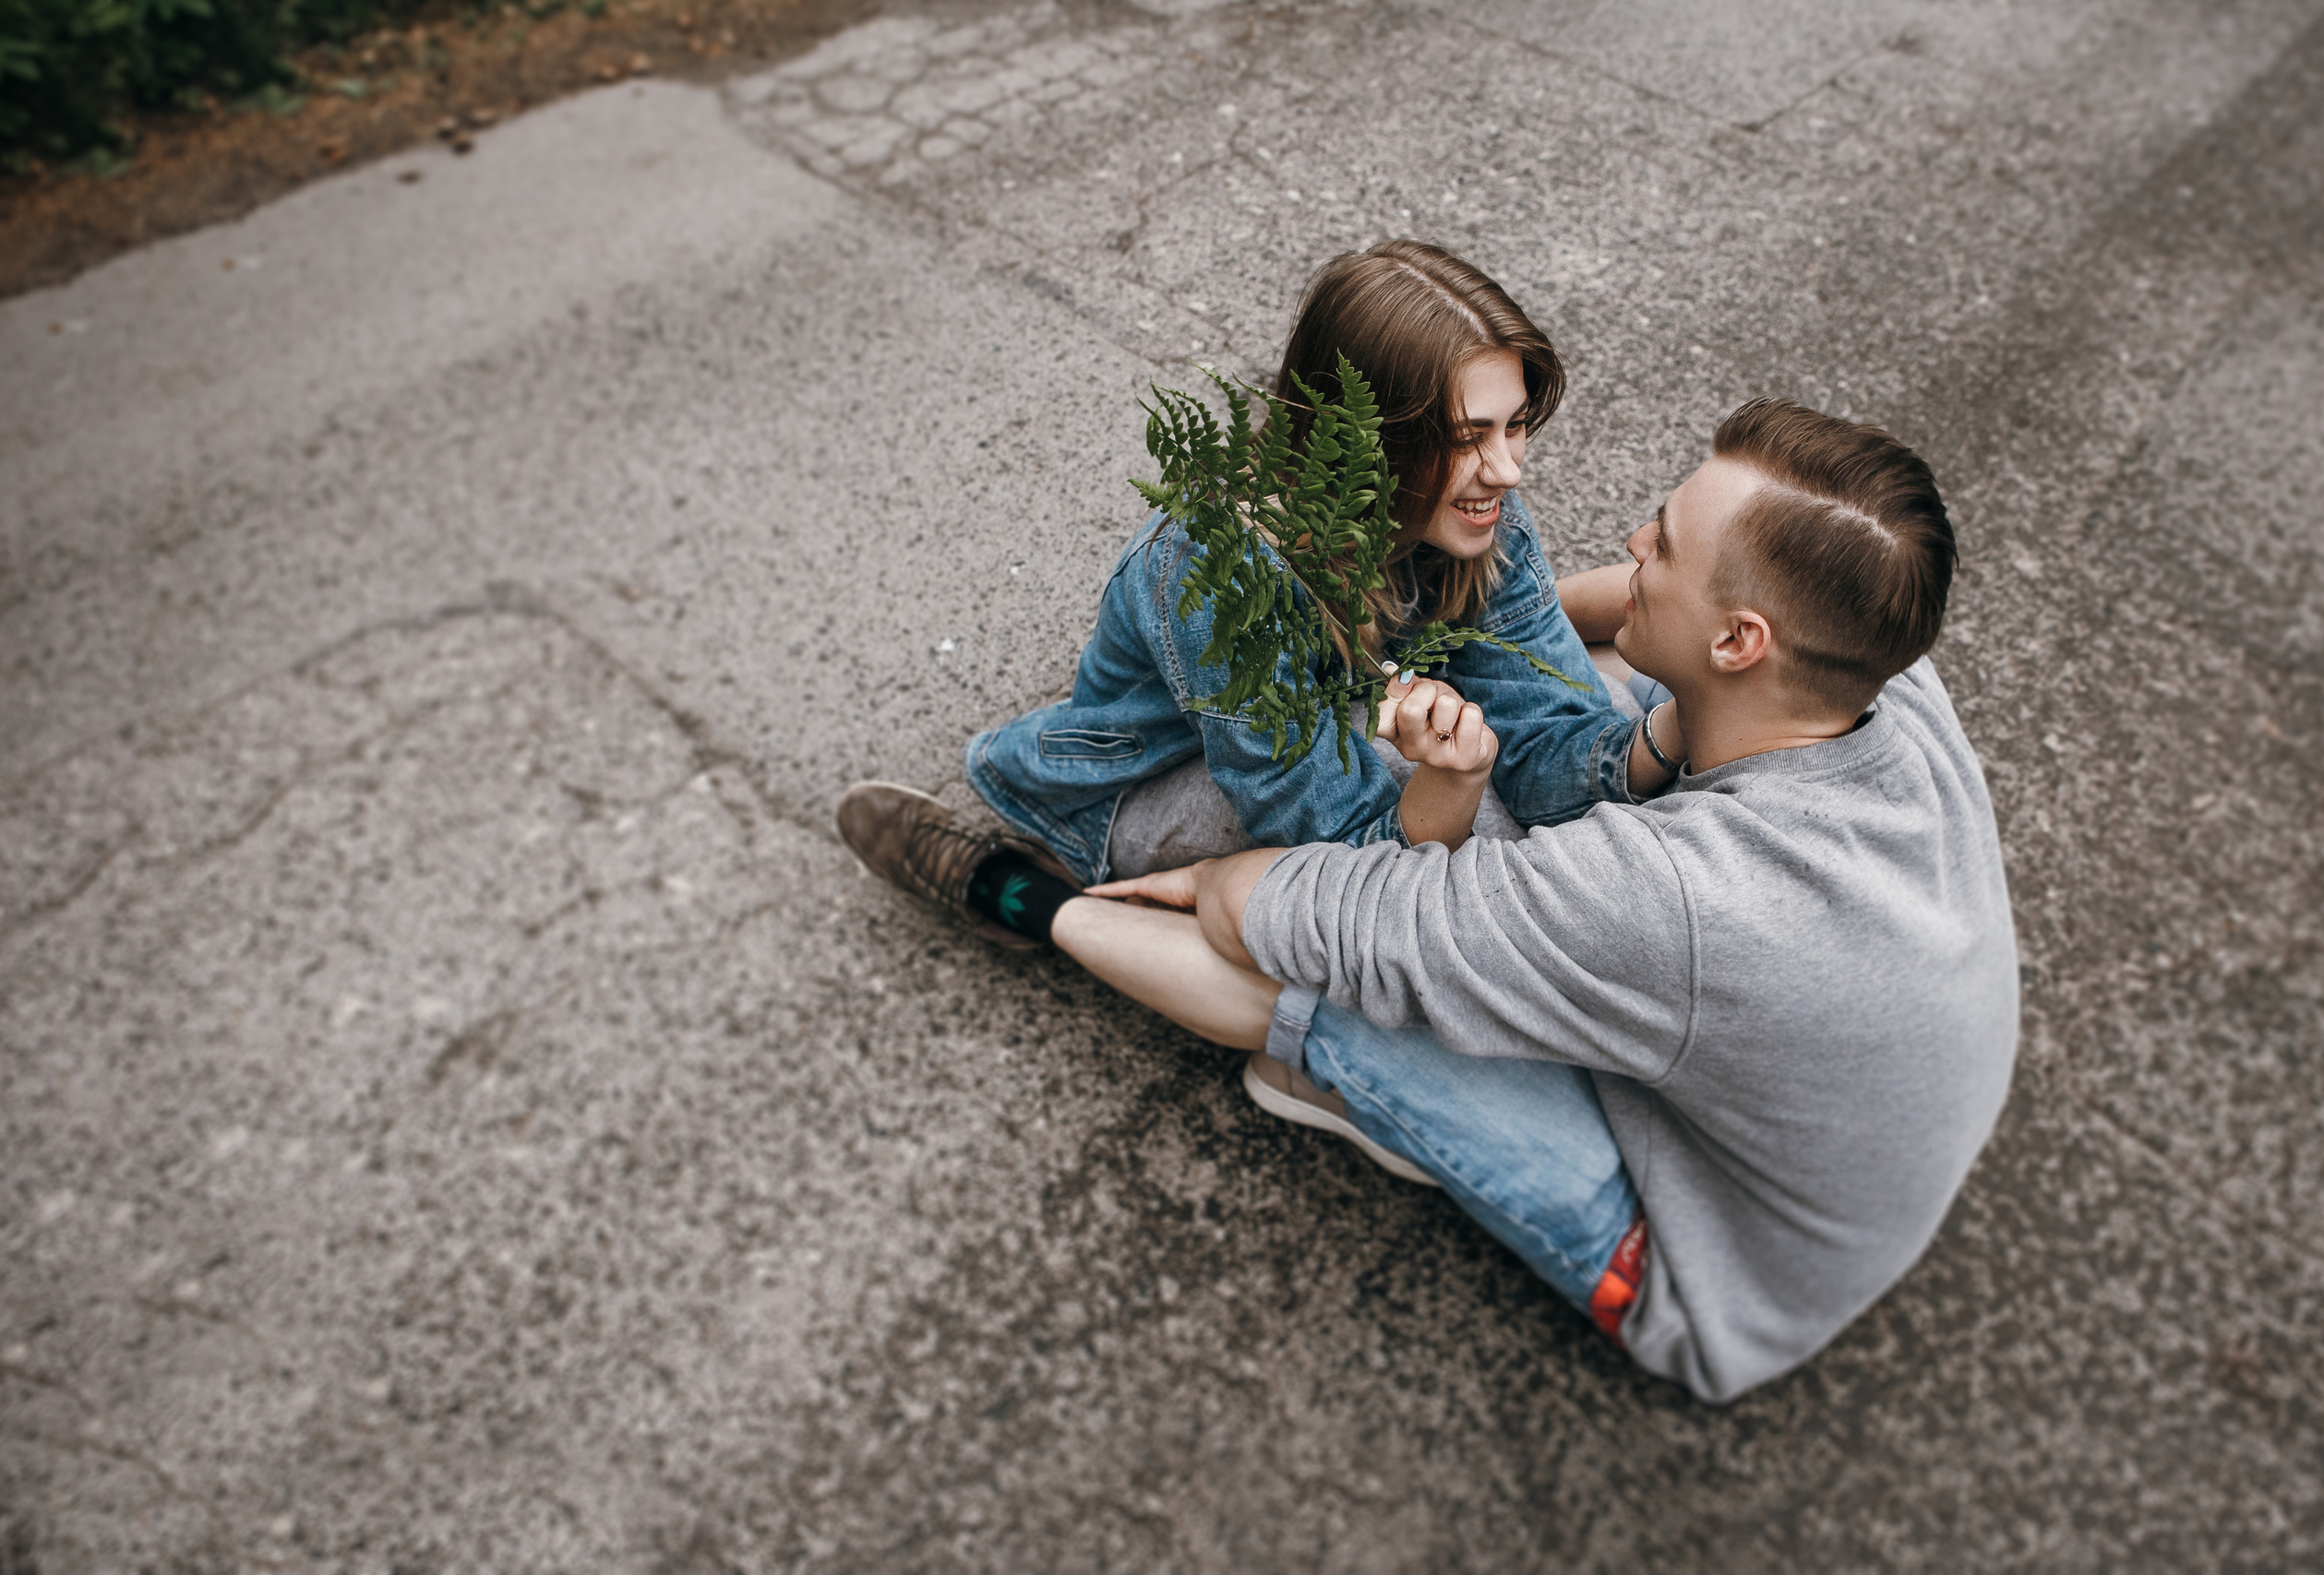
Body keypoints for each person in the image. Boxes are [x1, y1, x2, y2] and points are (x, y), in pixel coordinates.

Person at [836, 397, 2019, 1402]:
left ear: (1740, 640)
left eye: (1661, 544)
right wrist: (1477, 625)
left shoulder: (1670, 898)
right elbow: (1599, 623)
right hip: (1834, 1095)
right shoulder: (1877, 657)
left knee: (1340, 985)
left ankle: (1029, 903)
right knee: (1581, 701)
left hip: (1718, 1272)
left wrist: (1217, 874)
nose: (1634, 539)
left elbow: (1288, 908)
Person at [959, 239, 1637, 913]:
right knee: (1488, 845)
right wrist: (1460, 782)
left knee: (1621, 724)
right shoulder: (1224, 571)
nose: (1507, 469)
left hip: (1321, 738)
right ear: (1364, 436)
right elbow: (1356, 858)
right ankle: (1055, 890)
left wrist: (1675, 740)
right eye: (1466, 437)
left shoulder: (1482, 514)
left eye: (1514, 425)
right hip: (1142, 789)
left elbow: (1560, 751)